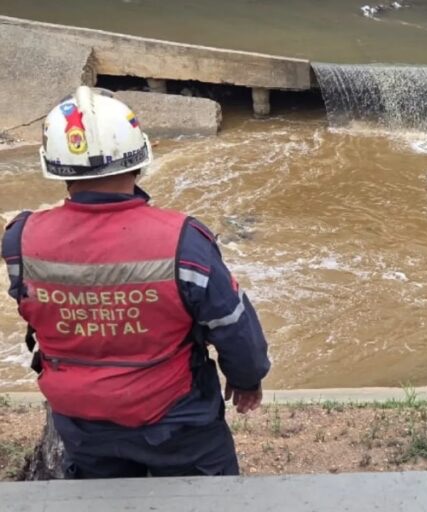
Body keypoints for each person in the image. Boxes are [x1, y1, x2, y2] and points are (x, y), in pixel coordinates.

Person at [1, 86, 271, 478]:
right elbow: (232, 325)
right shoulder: (184, 242)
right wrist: (247, 381)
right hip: (179, 422)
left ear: (55, 166)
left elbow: (34, 305)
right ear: (140, 159)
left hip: (82, 424)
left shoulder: (20, 241)